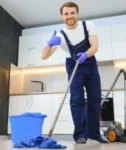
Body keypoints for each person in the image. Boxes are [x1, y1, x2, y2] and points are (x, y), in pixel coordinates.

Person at [41, 2, 109, 144]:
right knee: (77, 99)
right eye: (66, 14)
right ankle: (80, 135)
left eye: (72, 13)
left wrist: (85, 54)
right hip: (74, 66)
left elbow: (94, 46)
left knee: (95, 99)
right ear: (62, 16)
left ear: (77, 14)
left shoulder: (88, 25)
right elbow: (44, 56)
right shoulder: (61, 35)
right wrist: (49, 43)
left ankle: (94, 133)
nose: (69, 16)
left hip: (90, 64)